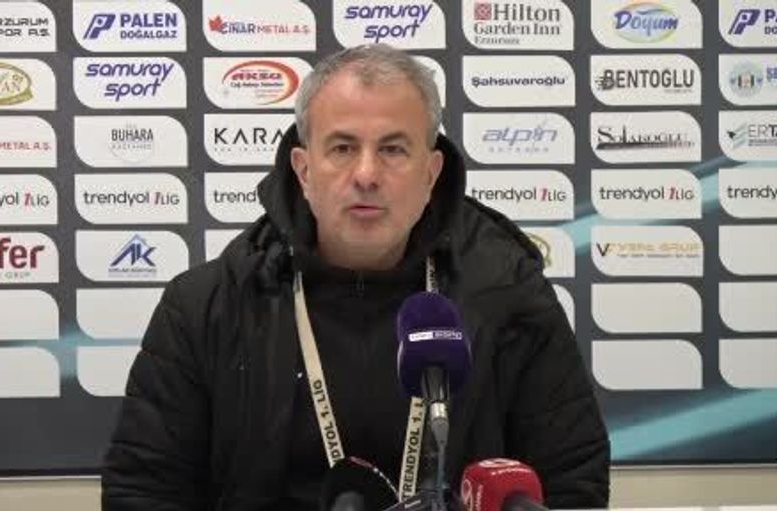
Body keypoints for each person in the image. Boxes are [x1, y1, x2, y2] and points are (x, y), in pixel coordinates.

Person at [102, 44, 610, 510]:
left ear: (431, 173)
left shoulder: (508, 297)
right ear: (303, 170)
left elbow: (571, 484)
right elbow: (145, 492)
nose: (366, 174)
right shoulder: (206, 307)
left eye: (393, 149)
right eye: (343, 148)